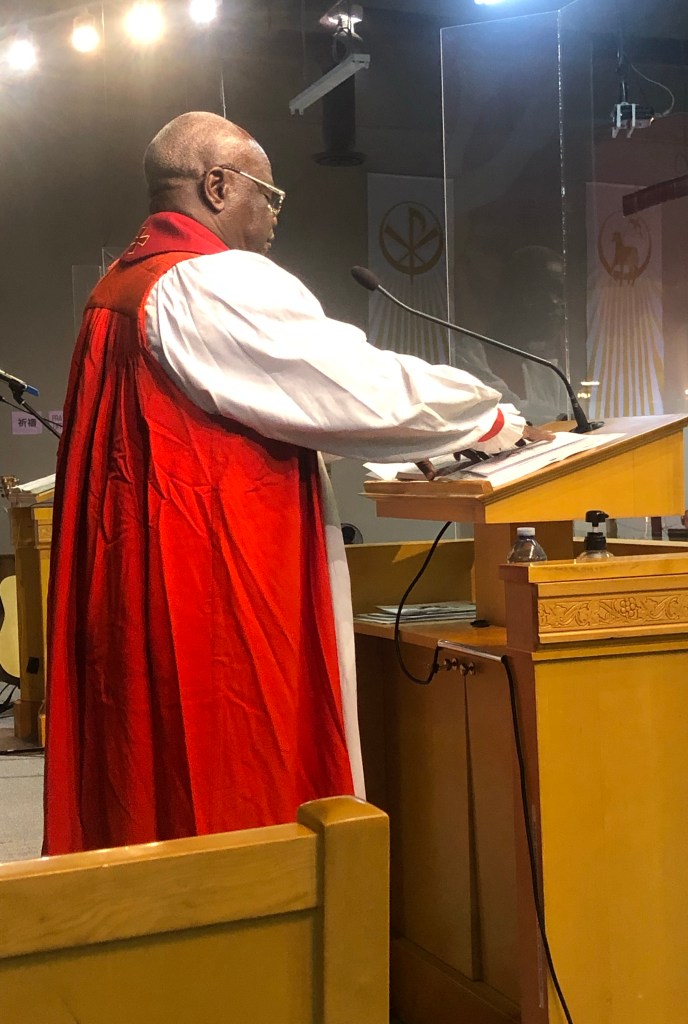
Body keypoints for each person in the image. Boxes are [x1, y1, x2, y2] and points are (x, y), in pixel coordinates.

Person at [43, 111, 551, 855]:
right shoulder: (210, 282)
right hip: (217, 581)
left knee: (148, 772)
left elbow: (224, 419)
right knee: (239, 777)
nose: (275, 213)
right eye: (268, 193)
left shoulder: (117, 287)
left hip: (142, 575)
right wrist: (486, 415)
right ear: (218, 186)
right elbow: (350, 387)